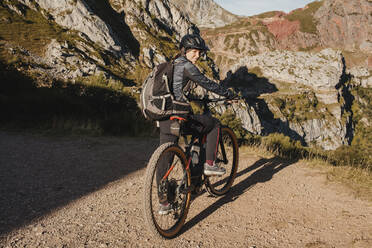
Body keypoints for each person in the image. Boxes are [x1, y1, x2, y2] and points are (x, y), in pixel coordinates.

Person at [157, 34, 235, 214]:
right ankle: (208, 163)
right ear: (185, 51)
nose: (197, 55)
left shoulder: (173, 64)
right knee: (214, 124)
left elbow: (176, 92)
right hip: (178, 117)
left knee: (164, 156)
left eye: (199, 52)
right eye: (193, 51)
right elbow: (206, 83)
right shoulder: (186, 65)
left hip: (165, 116)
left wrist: (193, 98)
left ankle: (164, 203)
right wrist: (227, 94)